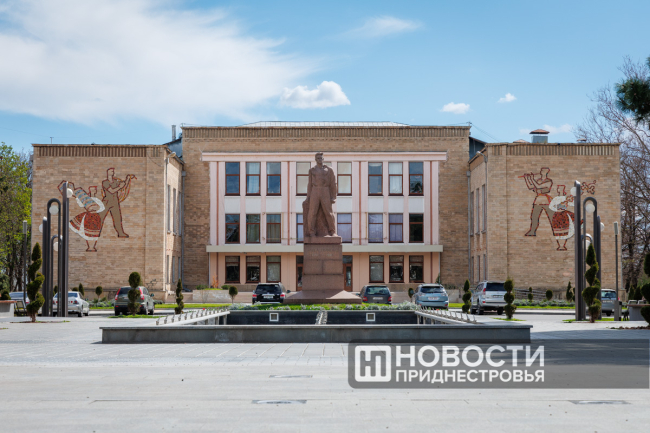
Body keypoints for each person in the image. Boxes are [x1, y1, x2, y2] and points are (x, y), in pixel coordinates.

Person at [306, 153, 337, 237]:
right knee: (312, 212)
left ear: (323, 159)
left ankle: (332, 231)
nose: (320, 159)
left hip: (325, 190)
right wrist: (308, 197)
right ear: (315, 160)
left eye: (321, 158)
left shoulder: (329, 170)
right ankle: (312, 232)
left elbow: (333, 183)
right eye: (318, 158)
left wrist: (333, 196)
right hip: (315, 191)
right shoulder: (312, 170)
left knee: (329, 212)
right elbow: (309, 184)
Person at [101, 168, 135, 238]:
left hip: (115, 201)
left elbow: (123, 185)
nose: (112, 172)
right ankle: (96, 232)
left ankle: (121, 233)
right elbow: (112, 191)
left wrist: (128, 178)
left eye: (113, 171)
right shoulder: (105, 182)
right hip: (106, 201)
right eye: (111, 171)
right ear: (107, 172)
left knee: (117, 218)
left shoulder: (115, 181)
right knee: (100, 217)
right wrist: (119, 186)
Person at [523, 168, 555, 236]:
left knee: (552, 217)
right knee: (534, 217)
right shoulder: (538, 180)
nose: (541, 171)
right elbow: (531, 187)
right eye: (541, 170)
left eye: (543, 170)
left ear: (546, 172)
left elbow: (538, 186)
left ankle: (556, 231)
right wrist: (527, 178)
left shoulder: (549, 181)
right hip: (538, 201)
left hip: (546, 201)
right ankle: (532, 231)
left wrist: (532, 179)